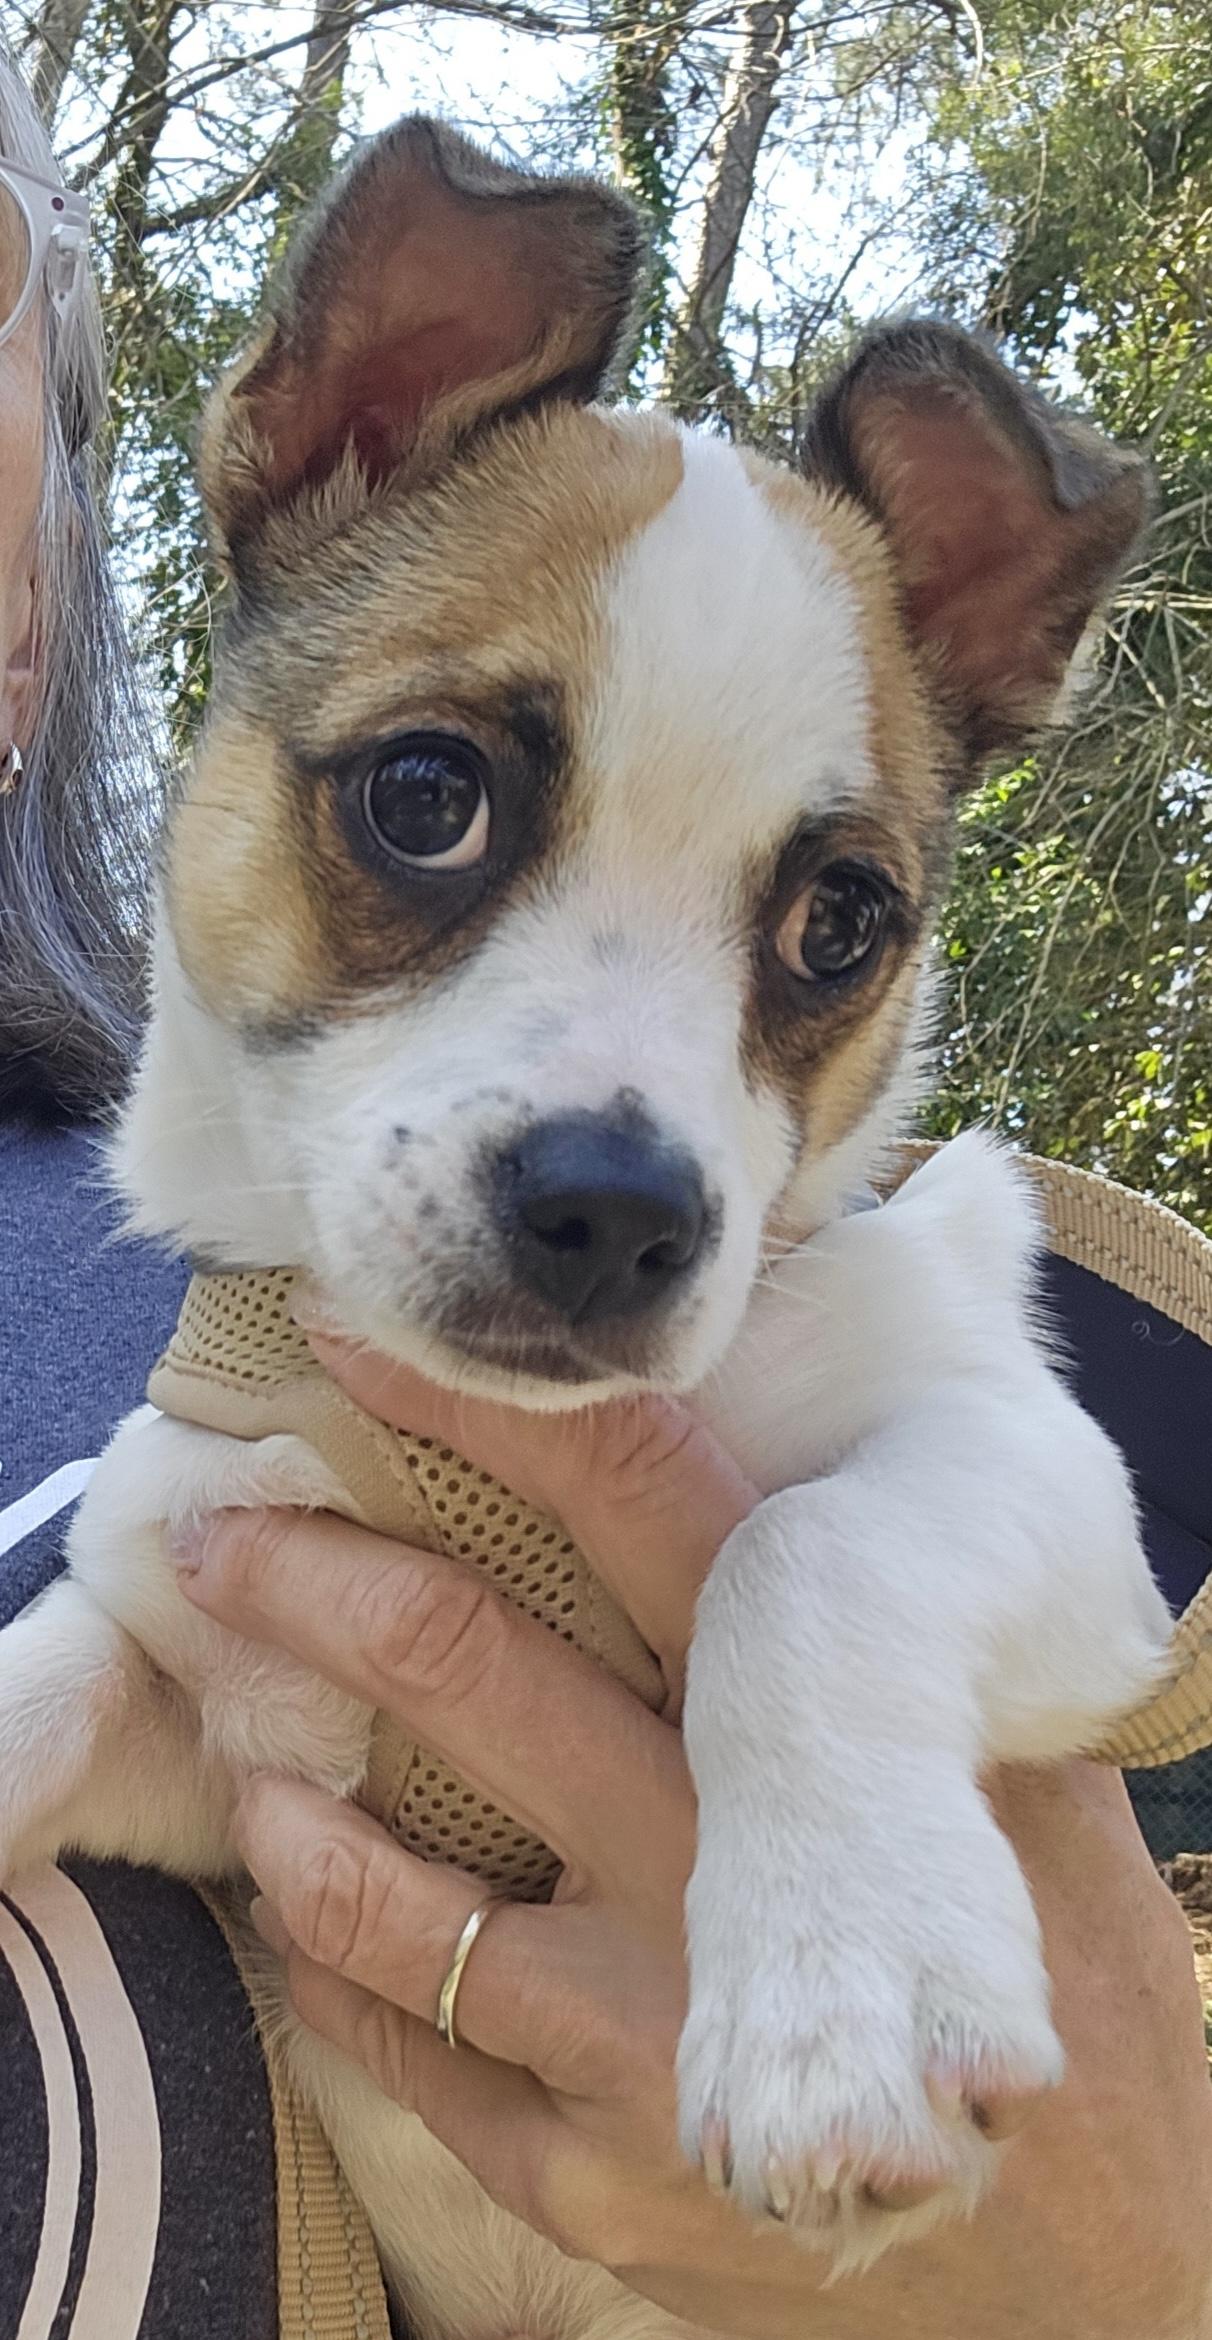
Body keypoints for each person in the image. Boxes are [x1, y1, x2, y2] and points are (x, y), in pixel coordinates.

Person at [2, 42, 1210, 2338]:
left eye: (818, 931)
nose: (634, 1138)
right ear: (331, 431)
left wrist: (818, 1679)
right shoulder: (218, 1382)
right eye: (433, 806)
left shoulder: (847, 1331)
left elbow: (1074, 1576)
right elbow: (195, 1728)